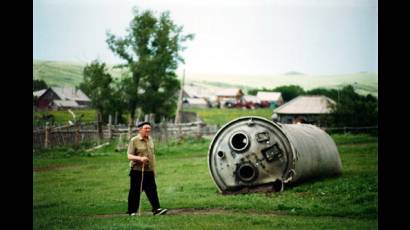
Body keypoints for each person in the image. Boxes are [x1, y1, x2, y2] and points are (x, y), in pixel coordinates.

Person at [127, 121, 168, 216]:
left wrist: (154, 170)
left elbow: (152, 156)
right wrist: (140, 158)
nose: (148, 130)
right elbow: (129, 156)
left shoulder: (150, 139)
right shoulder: (134, 140)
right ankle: (132, 211)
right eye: (146, 128)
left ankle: (156, 209)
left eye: (149, 128)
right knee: (135, 191)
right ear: (140, 130)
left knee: (152, 190)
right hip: (137, 171)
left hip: (149, 171)